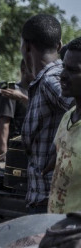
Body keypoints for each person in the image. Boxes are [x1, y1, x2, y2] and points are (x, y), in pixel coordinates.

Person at [20, 14, 75, 211]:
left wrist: (62, 146)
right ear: (60, 46)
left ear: (26, 47)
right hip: (43, 197)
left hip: (50, 202)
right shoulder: (44, 82)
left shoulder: (52, 81)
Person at [48, 37, 81, 213]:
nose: (62, 76)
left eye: (72, 70)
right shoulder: (68, 117)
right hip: (56, 228)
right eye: (63, 68)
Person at [0, 60, 33, 157]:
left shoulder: (35, 91)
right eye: (33, 68)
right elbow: (4, 123)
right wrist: (3, 150)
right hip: (15, 148)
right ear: (23, 69)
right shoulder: (11, 90)